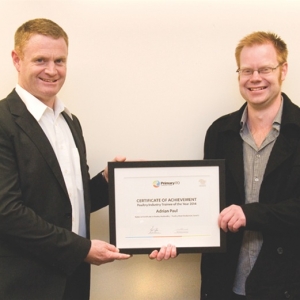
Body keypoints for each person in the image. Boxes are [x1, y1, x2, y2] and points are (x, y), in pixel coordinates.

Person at [0, 18, 176, 300]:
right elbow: (6, 212)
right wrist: (81, 249)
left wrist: (108, 180)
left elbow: (67, 203)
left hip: (74, 280)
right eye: (40, 60)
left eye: (60, 60)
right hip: (25, 284)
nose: (52, 70)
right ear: (16, 60)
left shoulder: (70, 122)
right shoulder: (4, 121)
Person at [200, 31, 300, 299]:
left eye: (265, 69)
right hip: (225, 282)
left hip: (286, 284)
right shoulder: (219, 132)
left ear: (283, 69)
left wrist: (250, 214)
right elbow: (205, 203)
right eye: (247, 71)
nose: (255, 78)